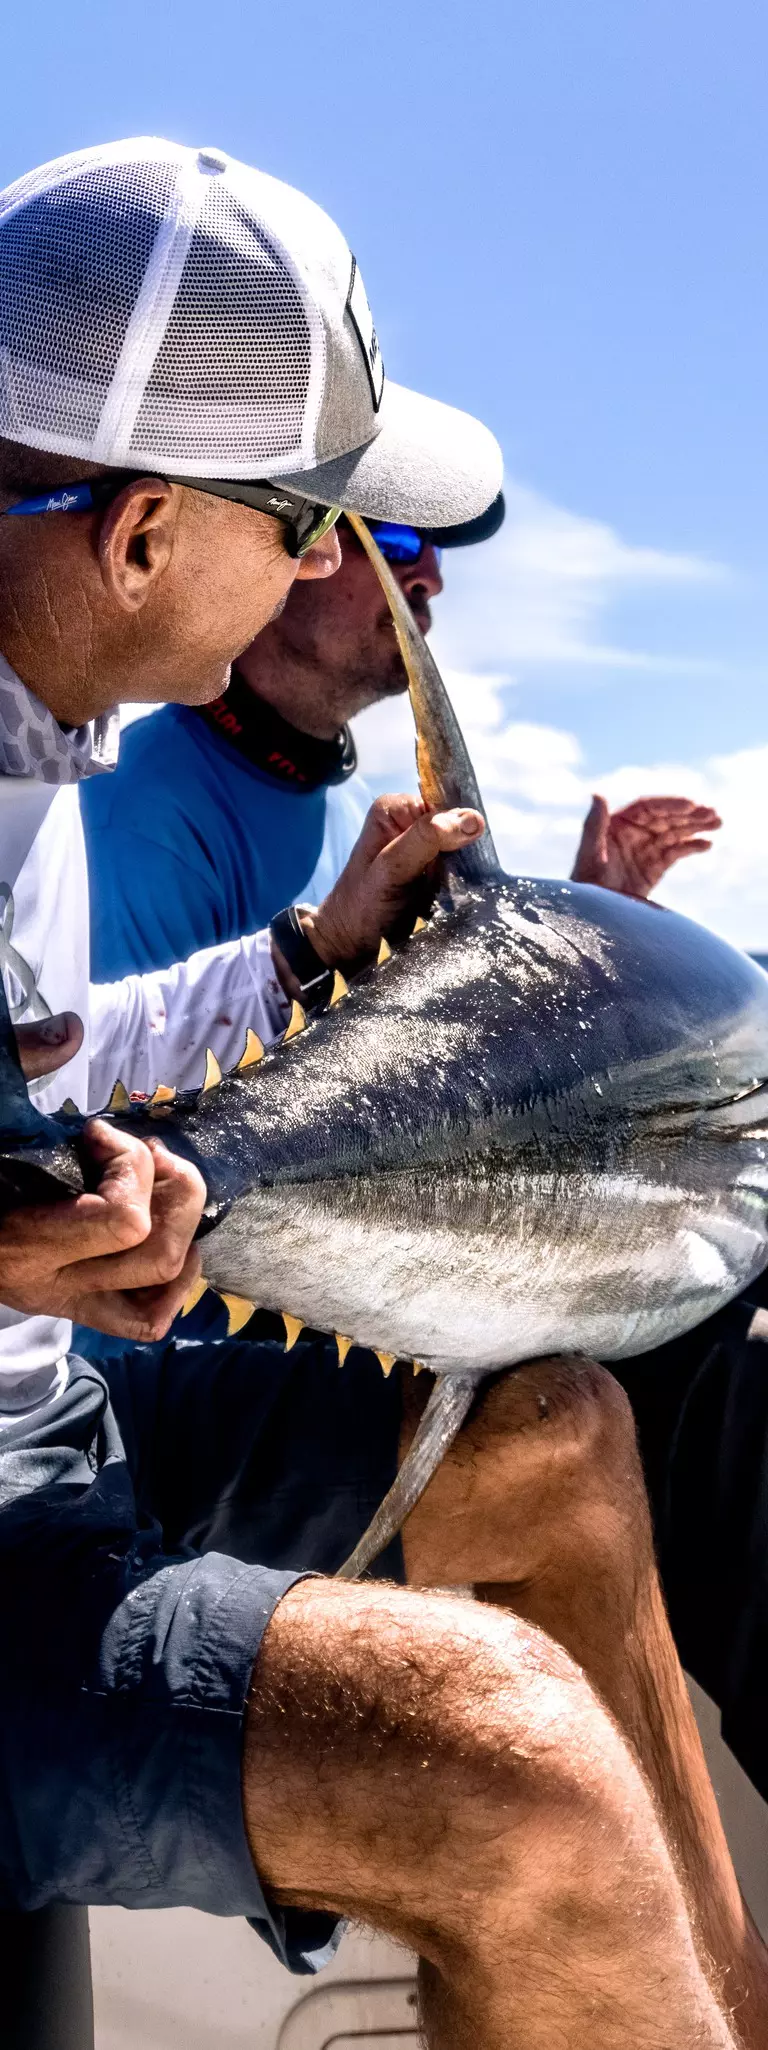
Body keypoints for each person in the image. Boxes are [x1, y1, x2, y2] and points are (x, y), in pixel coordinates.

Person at [0, 132, 751, 2050]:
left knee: (567, 1433)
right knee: (519, 1779)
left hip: (61, 1420)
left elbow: (55, 1058)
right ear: (152, 531)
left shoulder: (43, 746)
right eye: (315, 527)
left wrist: (311, 956)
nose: (336, 576)